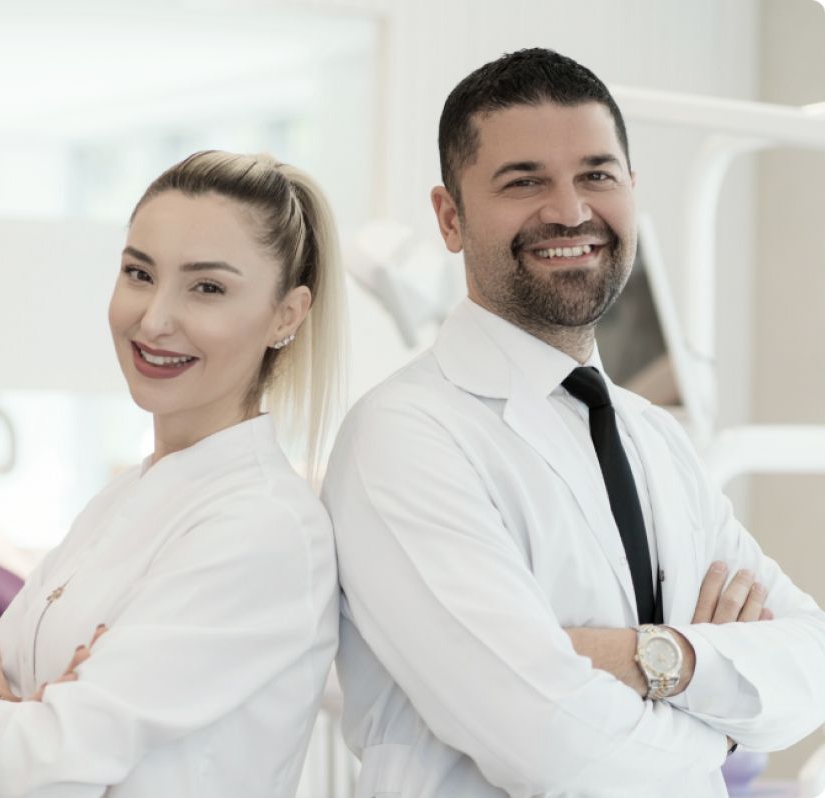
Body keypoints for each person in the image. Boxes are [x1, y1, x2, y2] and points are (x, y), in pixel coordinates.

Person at [322, 48, 825, 797]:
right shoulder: (404, 437)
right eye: (524, 181)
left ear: (630, 188)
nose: (570, 210)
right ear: (450, 217)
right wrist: (714, 729)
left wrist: (654, 657)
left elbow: (810, 667)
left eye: (597, 174)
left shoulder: (654, 438)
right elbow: (549, 739)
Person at [0, 150, 346, 797]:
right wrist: (2, 718)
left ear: (286, 314)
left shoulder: (265, 528)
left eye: (207, 287)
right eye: (138, 273)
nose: (153, 319)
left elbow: (36, 768)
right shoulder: (123, 497)